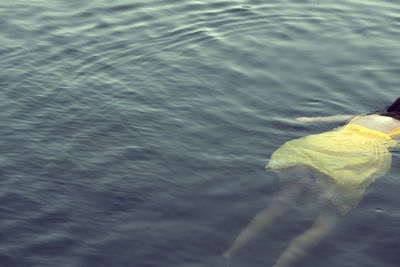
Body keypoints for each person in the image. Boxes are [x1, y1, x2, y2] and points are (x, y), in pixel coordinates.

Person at [221, 97, 400, 267]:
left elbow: (319, 119)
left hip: (318, 146)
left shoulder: (366, 117)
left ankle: (230, 252)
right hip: (354, 160)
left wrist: (308, 119)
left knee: (283, 202)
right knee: (325, 219)